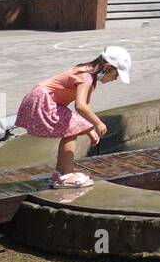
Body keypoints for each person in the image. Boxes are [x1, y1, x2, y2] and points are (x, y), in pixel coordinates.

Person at [14, 46, 132, 189]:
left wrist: (89, 130)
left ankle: (60, 174)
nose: (115, 79)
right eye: (116, 74)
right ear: (107, 67)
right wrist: (98, 123)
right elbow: (81, 106)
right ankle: (66, 175)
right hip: (42, 100)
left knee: (71, 128)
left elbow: (84, 110)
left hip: (43, 99)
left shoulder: (88, 74)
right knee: (71, 130)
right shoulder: (86, 77)